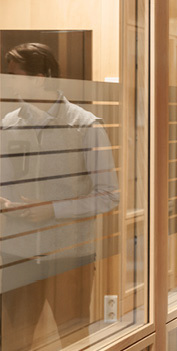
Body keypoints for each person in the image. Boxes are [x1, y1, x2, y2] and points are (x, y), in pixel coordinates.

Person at [0, 42, 119, 349]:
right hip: (18, 256)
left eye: (14, 75)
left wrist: (52, 209)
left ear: (39, 77)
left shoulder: (86, 126)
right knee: (16, 343)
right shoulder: (8, 124)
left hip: (70, 257)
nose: (7, 81)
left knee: (75, 342)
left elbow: (108, 196)